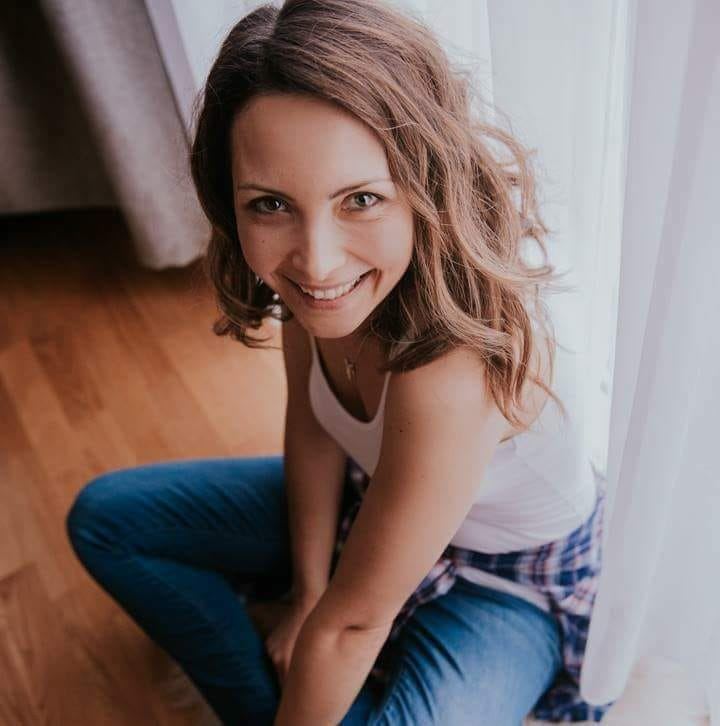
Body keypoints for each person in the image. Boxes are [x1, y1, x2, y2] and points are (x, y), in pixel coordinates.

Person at [65, 0, 616, 723]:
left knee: (337, 654)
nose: (316, 261)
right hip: (372, 498)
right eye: (270, 205)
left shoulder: (458, 366)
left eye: (360, 199)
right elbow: (315, 429)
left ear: (425, 186)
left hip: (508, 580)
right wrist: (309, 590)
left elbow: (355, 625)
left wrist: (331, 624)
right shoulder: (320, 289)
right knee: (107, 521)